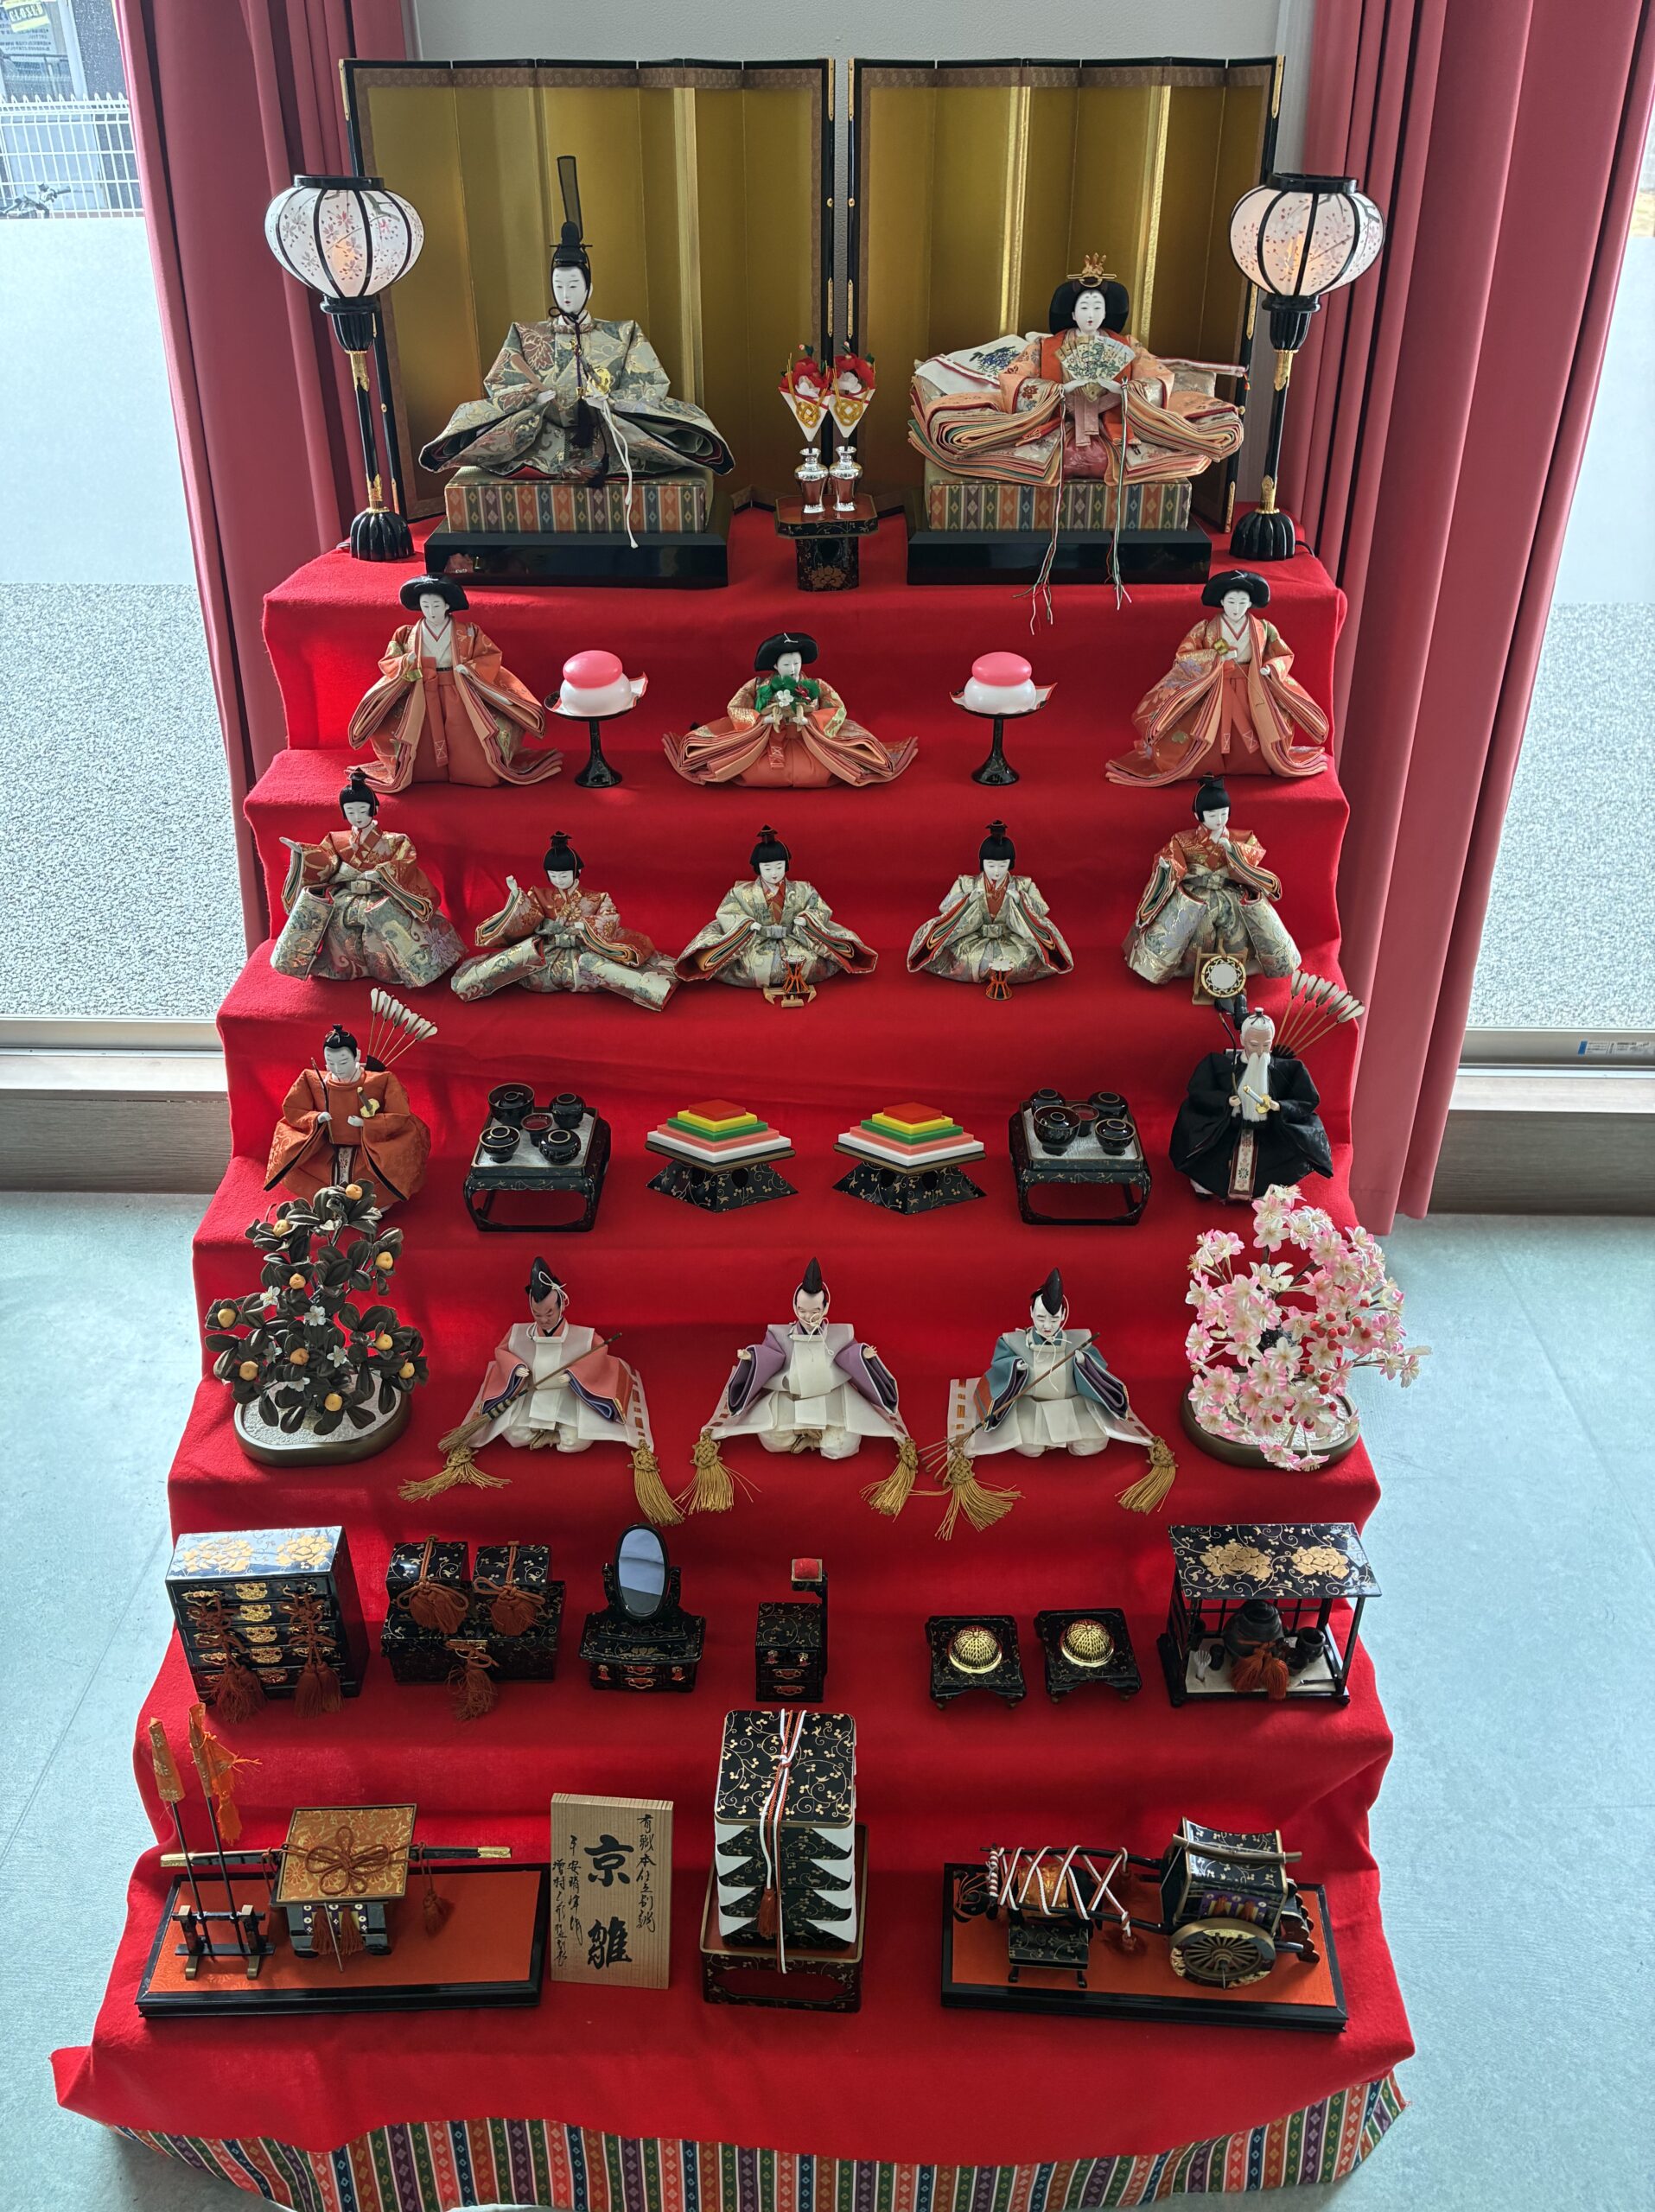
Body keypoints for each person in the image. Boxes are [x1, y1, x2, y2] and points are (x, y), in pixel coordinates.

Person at [418, 156, 733, 486]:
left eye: (573, 285)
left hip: (610, 433)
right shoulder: (525, 334)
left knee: (683, 428)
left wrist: (611, 402)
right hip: (541, 437)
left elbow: (651, 385)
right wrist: (533, 398)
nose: (566, 294)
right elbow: (499, 386)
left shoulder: (623, 333)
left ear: (589, 288)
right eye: (558, 286)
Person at [908, 252, 1243, 489]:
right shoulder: (1044, 346)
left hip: (1115, 424)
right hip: (1056, 421)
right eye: (1084, 306)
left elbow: (1158, 377)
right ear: (1071, 312)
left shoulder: (1126, 345)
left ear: (1107, 312)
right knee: (978, 440)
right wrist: (1058, 391)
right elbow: (1012, 378)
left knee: (1176, 452)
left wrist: (1124, 392)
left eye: (1098, 306)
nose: (1091, 313)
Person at [1107, 571, 1329, 785]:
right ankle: (1206, 763)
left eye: (1242, 602)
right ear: (1222, 601)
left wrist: (1270, 668)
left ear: (1250, 603)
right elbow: (1184, 655)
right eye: (1231, 602)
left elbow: (1283, 654)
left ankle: (1252, 763)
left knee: (1259, 724)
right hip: (1216, 686)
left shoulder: (1263, 628)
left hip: (1251, 686)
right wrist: (1215, 657)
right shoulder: (1205, 629)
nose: (1236, 608)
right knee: (1207, 726)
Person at [347, 575, 562, 791]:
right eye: (425, 606)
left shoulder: (469, 632)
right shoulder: (406, 634)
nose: (431, 611)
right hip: (421, 692)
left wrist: (469, 669)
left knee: (465, 734)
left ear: (447, 605)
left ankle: (472, 771)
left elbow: (489, 655)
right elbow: (389, 661)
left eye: (436, 605)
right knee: (421, 737)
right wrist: (405, 662)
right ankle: (426, 773)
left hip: (458, 690)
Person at [271, 770, 463, 988]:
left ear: (374, 809)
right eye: (350, 811)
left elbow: (405, 863)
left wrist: (383, 873)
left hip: (381, 894)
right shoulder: (336, 840)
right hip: (348, 896)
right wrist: (303, 853)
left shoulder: (395, 841)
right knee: (338, 921)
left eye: (362, 810)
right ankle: (344, 967)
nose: (357, 816)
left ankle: (390, 969)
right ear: (344, 813)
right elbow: (325, 861)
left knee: (385, 924)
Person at [452, 831, 676, 1012]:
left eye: (564, 875)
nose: (559, 880)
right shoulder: (539, 895)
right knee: (524, 962)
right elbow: (527, 917)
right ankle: (473, 981)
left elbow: (609, 918)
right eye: (553, 876)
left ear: (577, 871)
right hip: (550, 950)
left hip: (583, 949)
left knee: (594, 966)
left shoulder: (597, 898)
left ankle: (656, 986)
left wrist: (585, 926)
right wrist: (516, 897)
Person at [706, 1259, 905, 1460]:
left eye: (815, 1311)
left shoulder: (839, 1334)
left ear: (825, 1308)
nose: (808, 1316)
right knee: (771, 1438)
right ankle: (801, 1436)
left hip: (830, 1396)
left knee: (843, 1444)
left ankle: (816, 1438)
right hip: (791, 1397)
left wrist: (862, 1355)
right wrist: (753, 1357)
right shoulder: (781, 1334)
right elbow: (771, 1355)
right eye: (802, 1310)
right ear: (795, 1306)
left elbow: (848, 1354)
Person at [952, 1268, 1158, 1460]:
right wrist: (1016, 1368)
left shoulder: (1080, 1341)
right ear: (1031, 1313)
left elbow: (1099, 1370)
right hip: (1031, 1406)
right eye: (1041, 1318)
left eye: (1054, 1319)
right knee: (1030, 1449)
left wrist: (1084, 1364)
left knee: (1092, 1445)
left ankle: (1069, 1437)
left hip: (1072, 1405)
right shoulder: (1013, 1343)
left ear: (1063, 1316)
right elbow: (1000, 1365)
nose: (1047, 1325)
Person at [1123, 777, 1299, 1001]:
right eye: (1213, 815)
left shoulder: (1242, 839)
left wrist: (1234, 853)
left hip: (1229, 892)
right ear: (1198, 816)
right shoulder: (1183, 841)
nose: (1219, 820)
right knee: (1189, 925)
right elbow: (1173, 863)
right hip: (1196, 895)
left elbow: (1249, 866)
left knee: (1239, 924)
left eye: (1224, 814)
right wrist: (1168, 868)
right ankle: (1184, 967)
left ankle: (1241, 965)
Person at [664, 632, 916, 788]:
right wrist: (760, 720)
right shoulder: (759, 686)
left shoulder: (816, 686)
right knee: (754, 772)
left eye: (797, 663)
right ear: (775, 665)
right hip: (765, 742)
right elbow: (735, 707)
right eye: (787, 664)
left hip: (810, 741)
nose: (794, 669)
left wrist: (812, 721)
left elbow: (837, 708)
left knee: (823, 771)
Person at [675, 825, 877, 1001]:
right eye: (768, 868)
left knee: (809, 963)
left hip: (796, 938)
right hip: (757, 940)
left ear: (786, 865)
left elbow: (820, 908)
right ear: (758, 868)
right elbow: (727, 911)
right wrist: (747, 924)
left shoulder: (804, 889)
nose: (774, 873)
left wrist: (807, 919)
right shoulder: (740, 893)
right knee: (751, 966)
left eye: (779, 867)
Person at [1169, 1006, 1334, 1201]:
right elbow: (1198, 1092)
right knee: (1207, 1155)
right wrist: (1225, 1101)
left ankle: (1264, 1191)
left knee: (1281, 1161)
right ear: (1242, 1040)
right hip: (1227, 1130)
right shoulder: (1221, 1064)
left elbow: (1307, 1100)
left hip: (1269, 1133)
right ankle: (1207, 1185)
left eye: (1266, 1045)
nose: (1260, 1051)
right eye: (1254, 1044)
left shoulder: (1288, 1069)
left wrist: (1279, 1106)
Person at [264, 1024, 430, 1211]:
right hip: (326, 1145)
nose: (337, 1069)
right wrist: (315, 1119)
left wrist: (367, 1123)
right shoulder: (313, 1080)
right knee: (302, 1163)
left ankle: (372, 1205)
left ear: (357, 1055)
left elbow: (399, 1114)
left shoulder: (381, 1080)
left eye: (343, 1062)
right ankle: (326, 1203)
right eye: (330, 1063)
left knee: (382, 1169)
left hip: (368, 1148)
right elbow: (294, 1109)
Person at [907, 821, 1073, 995]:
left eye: (1002, 865)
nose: (996, 872)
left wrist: (1021, 901)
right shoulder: (966, 883)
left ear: (1010, 864)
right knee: (963, 959)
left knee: (1024, 960)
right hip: (976, 938)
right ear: (982, 863)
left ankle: (994, 973)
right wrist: (967, 902)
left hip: (1010, 938)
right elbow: (945, 908)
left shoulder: (1024, 885)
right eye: (991, 865)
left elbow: (1041, 910)